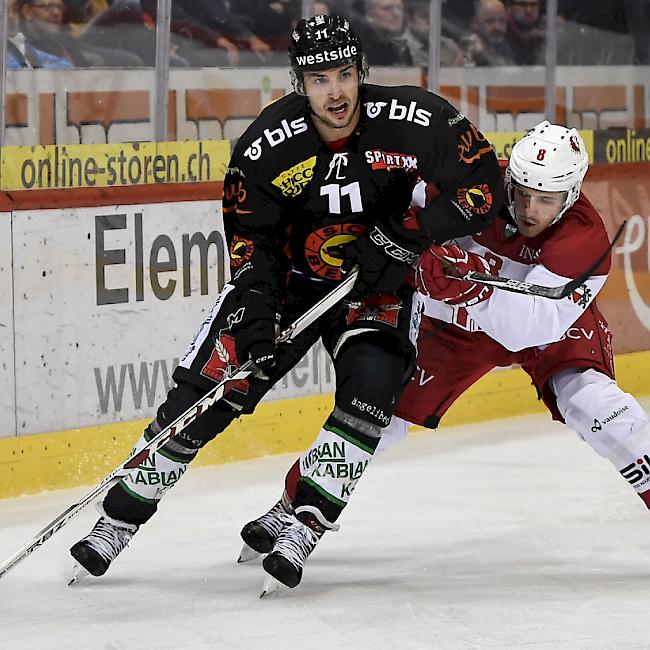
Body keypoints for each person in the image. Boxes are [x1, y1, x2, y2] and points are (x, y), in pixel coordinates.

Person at [69, 13, 503, 589]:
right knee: (211, 390)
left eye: (345, 75)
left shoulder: (412, 119)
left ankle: (307, 520)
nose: (336, 91)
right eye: (321, 79)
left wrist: (407, 237)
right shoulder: (267, 146)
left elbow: (485, 187)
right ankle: (120, 519)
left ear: (361, 74)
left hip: (375, 283)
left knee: (372, 389)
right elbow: (253, 243)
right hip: (291, 285)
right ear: (299, 82)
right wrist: (257, 316)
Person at [243, 122, 650, 582]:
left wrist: (465, 284)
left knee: (598, 407)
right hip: (458, 332)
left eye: (546, 199)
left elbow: (524, 329)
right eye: (522, 192)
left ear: (571, 195)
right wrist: (407, 249)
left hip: (549, 328)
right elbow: (404, 209)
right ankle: (297, 507)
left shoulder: (584, 241)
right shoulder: (474, 185)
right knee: (378, 411)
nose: (529, 208)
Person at [462, 0, 517, 66]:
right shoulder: (468, 46)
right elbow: (457, 74)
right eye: (490, 21)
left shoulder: (504, 45)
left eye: (502, 21)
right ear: (475, 23)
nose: (498, 27)